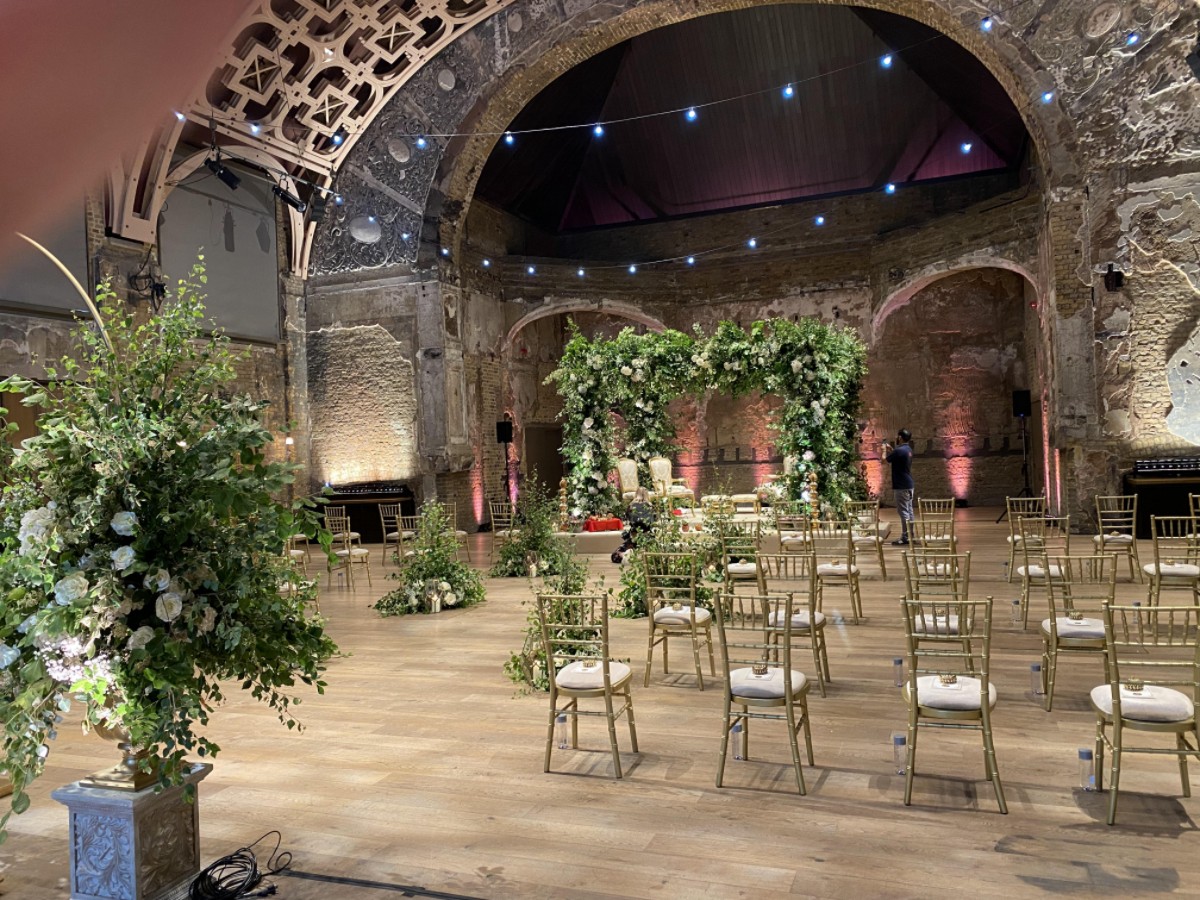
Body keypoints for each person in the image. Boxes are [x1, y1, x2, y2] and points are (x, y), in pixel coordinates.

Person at [883, 429, 914, 545]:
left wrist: (883, 451)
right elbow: (899, 456)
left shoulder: (898, 451)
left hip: (901, 485)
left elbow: (883, 461)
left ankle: (905, 538)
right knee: (909, 511)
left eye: (897, 436)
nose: (896, 438)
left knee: (903, 512)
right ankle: (911, 535)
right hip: (909, 484)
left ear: (900, 437)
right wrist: (892, 450)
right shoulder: (908, 449)